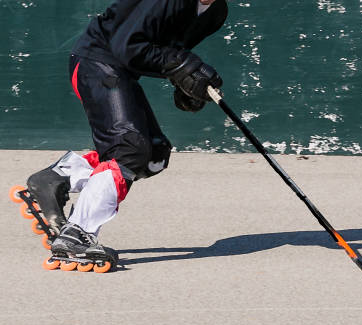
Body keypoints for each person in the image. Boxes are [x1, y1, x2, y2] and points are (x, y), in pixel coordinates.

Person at [26, 0, 227, 262]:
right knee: (130, 148)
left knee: (153, 155)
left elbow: (169, 50)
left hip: (121, 71)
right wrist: (180, 64)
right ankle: (76, 235)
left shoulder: (215, 12)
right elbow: (128, 46)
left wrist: (187, 82)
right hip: (95, 61)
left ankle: (55, 179)